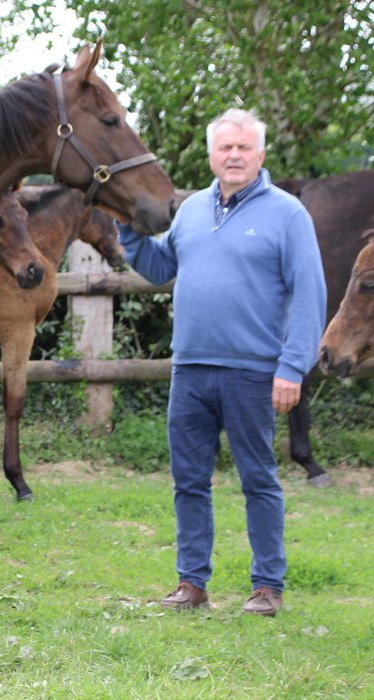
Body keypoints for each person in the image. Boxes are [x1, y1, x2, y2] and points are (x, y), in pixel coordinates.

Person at [116, 108, 326, 616]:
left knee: (258, 480)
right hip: (190, 369)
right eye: (225, 147)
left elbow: (310, 294)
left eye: (243, 147)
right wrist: (128, 230)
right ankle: (192, 583)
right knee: (188, 480)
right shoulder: (190, 210)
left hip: (254, 372)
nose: (234, 155)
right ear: (212, 155)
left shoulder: (288, 214)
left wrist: (292, 367)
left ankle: (267, 587)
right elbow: (160, 267)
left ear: (260, 154)